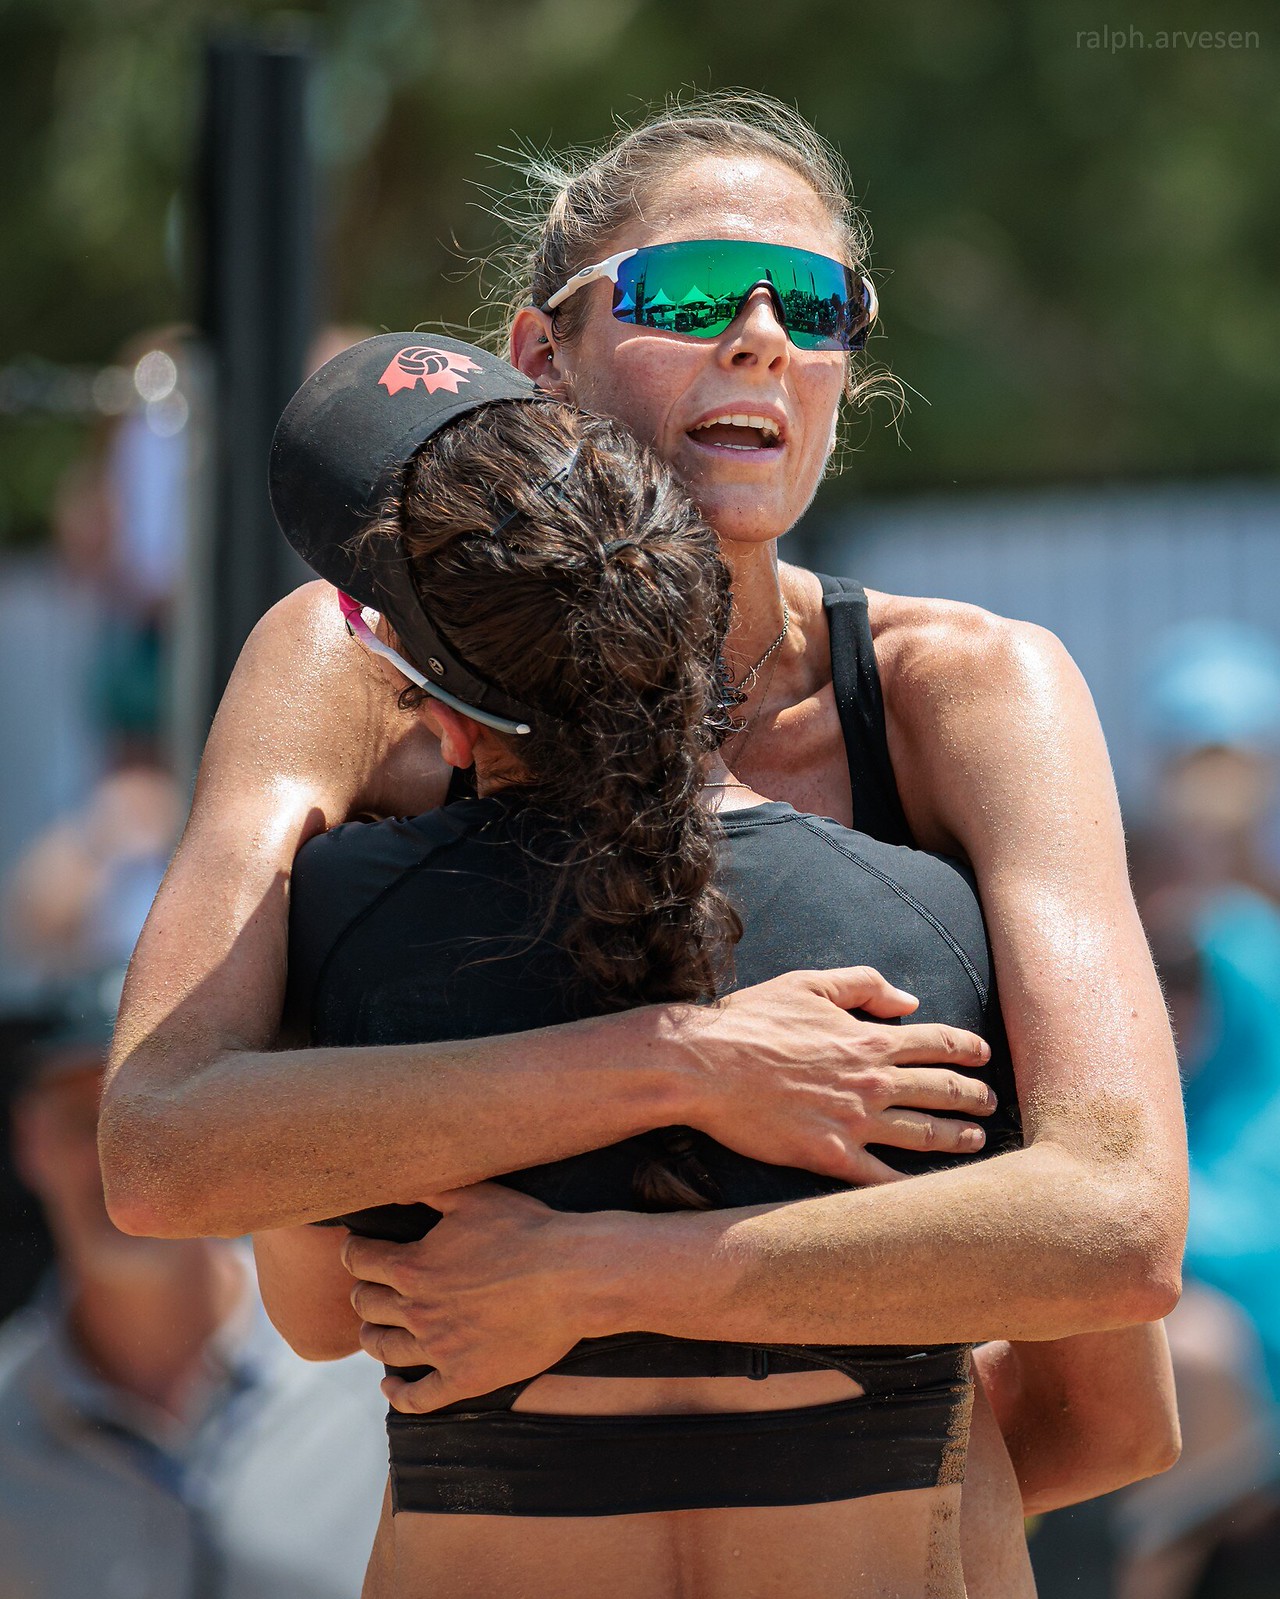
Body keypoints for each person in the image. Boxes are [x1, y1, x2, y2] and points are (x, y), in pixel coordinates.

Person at [99, 93, 1185, 1592]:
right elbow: (160, 1144)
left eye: (815, 305)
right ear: (540, 354)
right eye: (689, 292)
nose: (760, 338)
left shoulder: (968, 692)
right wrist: (692, 1059)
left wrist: (611, 1287)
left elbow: (1120, 1252)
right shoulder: (353, 665)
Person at [258, 335, 1030, 1596]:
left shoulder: (341, 917)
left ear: (434, 701)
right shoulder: (927, 916)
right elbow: (1109, 1372)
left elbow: (316, 1317)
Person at [0, 984, 390, 1599]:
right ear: (30, 1142)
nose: (118, 1160)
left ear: (220, 1128)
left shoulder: (377, 1371)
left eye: (150, 1121)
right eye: (84, 1122)